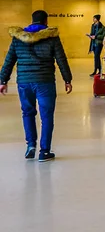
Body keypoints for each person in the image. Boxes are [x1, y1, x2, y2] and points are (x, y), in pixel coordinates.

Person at [0, 10, 73, 162]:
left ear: (31, 21)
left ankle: (31, 145)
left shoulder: (17, 38)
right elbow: (61, 60)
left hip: (24, 83)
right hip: (45, 82)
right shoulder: (52, 37)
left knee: (27, 113)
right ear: (46, 21)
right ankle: (44, 151)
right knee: (46, 117)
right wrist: (67, 80)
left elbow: (9, 61)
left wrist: (2, 81)